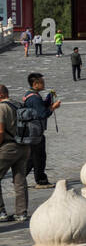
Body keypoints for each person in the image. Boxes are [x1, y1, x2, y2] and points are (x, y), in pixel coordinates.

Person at [0, 84, 31, 225]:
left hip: (8, 147)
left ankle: (1, 212)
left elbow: (0, 131)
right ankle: (21, 213)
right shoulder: (18, 104)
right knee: (20, 180)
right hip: (24, 146)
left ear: (1, 95)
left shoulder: (1, 108)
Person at [22, 73, 58, 188]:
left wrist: (48, 98)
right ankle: (41, 181)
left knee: (32, 158)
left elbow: (40, 107)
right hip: (35, 133)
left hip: (31, 132)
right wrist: (53, 107)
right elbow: (43, 113)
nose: (44, 84)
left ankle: (19, 177)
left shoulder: (30, 95)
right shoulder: (34, 98)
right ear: (35, 84)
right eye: (42, 82)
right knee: (39, 157)